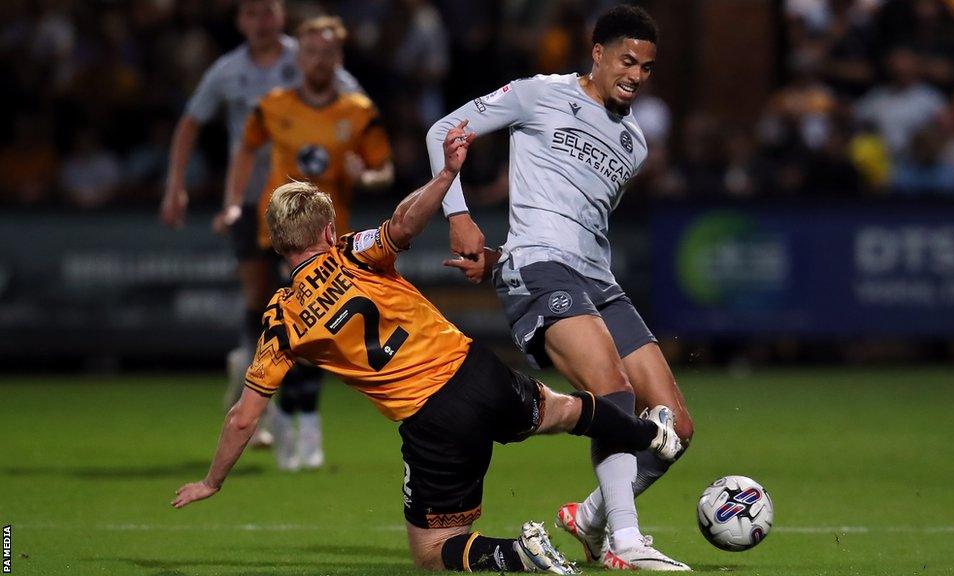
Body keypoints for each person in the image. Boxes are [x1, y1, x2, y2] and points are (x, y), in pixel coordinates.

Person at [172, 122, 684, 574]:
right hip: (477, 368)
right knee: (563, 411)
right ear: (328, 229)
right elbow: (403, 225)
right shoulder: (353, 251)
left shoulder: (282, 320)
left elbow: (244, 417)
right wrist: (443, 179)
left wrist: (213, 481)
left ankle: (520, 554)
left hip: (434, 419)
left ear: (279, 245)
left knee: (433, 549)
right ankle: (650, 432)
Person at [426, 5, 694, 570]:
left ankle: (591, 517)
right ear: (596, 53)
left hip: (600, 281)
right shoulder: (537, 93)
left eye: (646, 67)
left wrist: (499, 258)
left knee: (677, 426)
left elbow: (574, 218)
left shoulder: (634, 144)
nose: (636, 75)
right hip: (542, 271)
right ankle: (625, 543)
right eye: (627, 60)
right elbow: (442, 131)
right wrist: (458, 213)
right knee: (613, 391)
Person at [158, 0, 363, 449]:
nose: (261, 22)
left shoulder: (309, 54)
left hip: (305, 205)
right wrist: (176, 185)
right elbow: (190, 123)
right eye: (250, 14)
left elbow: (357, 106)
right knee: (258, 296)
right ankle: (259, 399)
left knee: (310, 305)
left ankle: (286, 409)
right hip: (253, 203)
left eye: (267, 11)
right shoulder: (228, 70)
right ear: (240, 22)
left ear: (281, 15)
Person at [219, 15, 394, 471]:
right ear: (300, 57)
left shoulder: (357, 111)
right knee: (290, 328)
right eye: (312, 51)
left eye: (328, 52)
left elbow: (385, 166)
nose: (320, 60)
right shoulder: (273, 105)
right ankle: (286, 421)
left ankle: (303, 422)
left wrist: (367, 174)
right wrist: (234, 202)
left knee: (319, 331)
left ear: (339, 58)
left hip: (327, 237)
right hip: (278, 234)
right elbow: (244, 148)